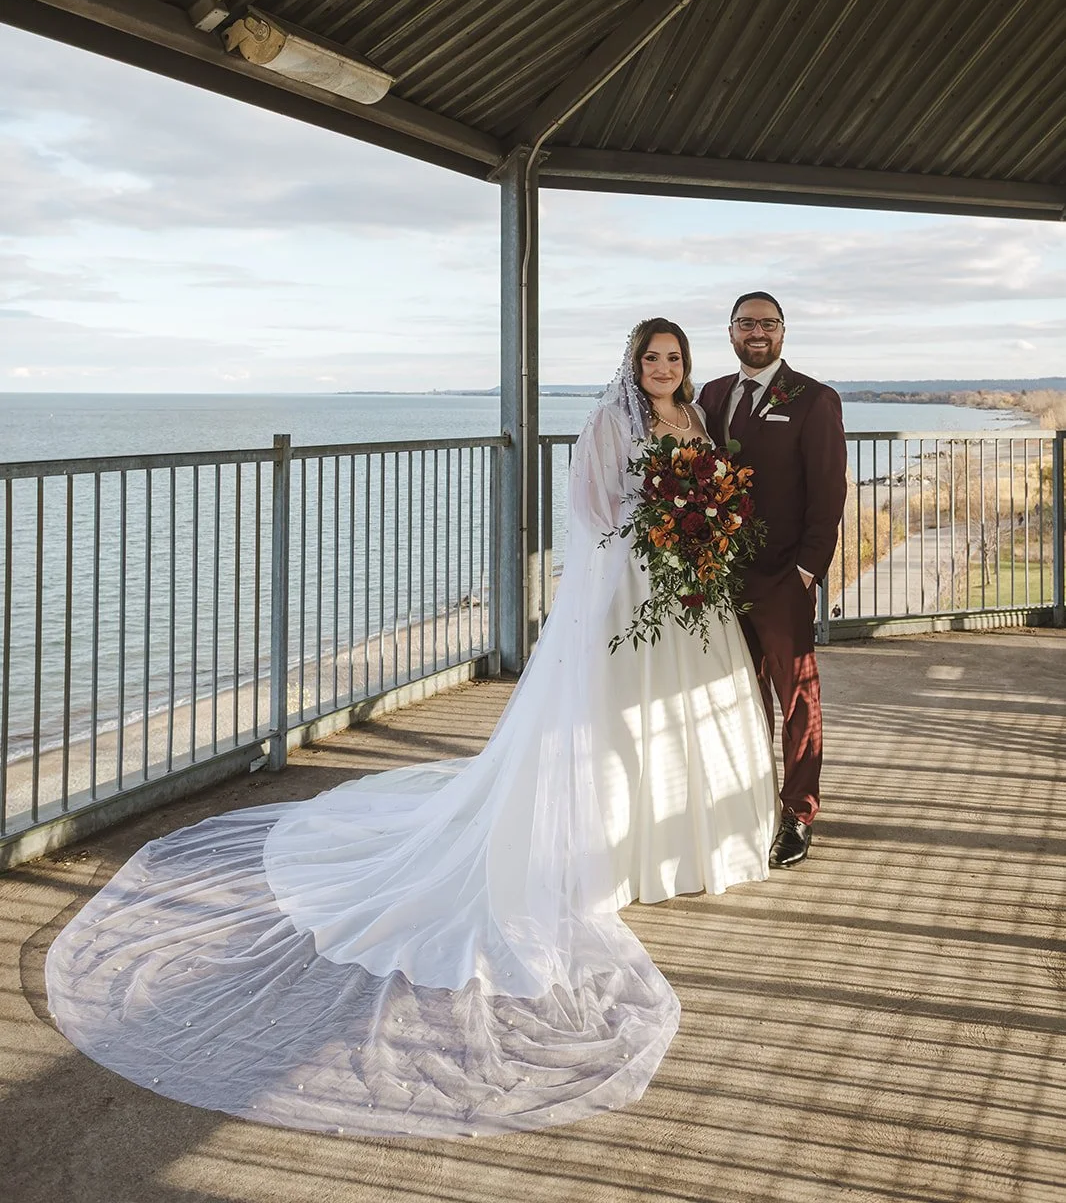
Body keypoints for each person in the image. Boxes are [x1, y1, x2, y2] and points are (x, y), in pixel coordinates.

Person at [45, 321, 775, 1139]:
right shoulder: (613, 423)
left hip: (685, 588)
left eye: (674, 358)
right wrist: (649, 542)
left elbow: (711, 490)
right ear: (634, 365)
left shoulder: (699, 421)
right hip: (627, 586)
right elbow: (591, 510)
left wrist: (698, 534)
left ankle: (674, 837)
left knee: (674, 715)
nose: (665, 369)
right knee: (605, 720)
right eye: (653, 358)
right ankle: (607, 844)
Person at [699, 293, 847, 869]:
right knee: (736, 695)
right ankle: (748, 801)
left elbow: (828, 492)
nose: (756, 332)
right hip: (719, 580)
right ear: (730, 332)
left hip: (785, 578)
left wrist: (808, 571)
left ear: (783, 331)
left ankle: (799, 812)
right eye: (745, 323)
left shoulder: (813, 399)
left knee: (798, 700)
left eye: (767, 323)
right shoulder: (710, 395)